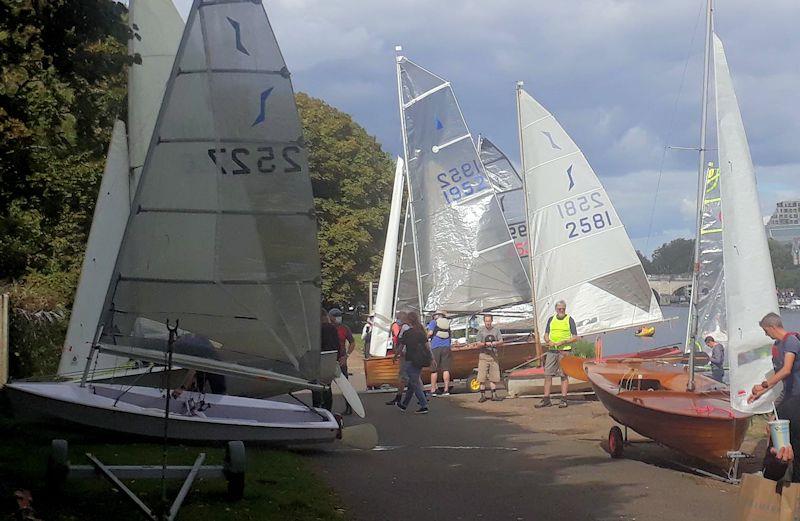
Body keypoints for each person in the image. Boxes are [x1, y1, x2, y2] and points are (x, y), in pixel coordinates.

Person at [748, 312, 800, 482]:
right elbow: (781, 380)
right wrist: (759, 394)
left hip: (797, 399)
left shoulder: (791, 341)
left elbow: (786, 369)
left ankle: (795, 481)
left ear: (772, 327)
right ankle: (769, 474)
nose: (766, 334)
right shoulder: (778, 345)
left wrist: (763, 385)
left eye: (765, 331)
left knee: (795, 440)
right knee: (774, 433)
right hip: (788, 397)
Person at [536, 300, 578, 409]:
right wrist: (548, 341)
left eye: (563, 308)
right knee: (547, 374)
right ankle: (546, 399)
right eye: (559, 308)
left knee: (563, 375)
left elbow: (574, 337)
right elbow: (546, 334)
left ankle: (563, 399)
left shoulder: (569, 319)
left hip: (564, 351)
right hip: (552, 350)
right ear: (556, 309)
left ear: (565, 309)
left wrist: (563, 342)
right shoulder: (551, 319)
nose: (561, 310)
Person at [396, 311, 430, 414]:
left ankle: (424, 405)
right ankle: (404, 404)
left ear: (409, 320)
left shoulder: (407, 333)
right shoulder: (421, 332)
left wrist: (395, 356)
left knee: (414, 383)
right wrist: (431, 359)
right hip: (420, 360)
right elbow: (427, 347)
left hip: (410, 359)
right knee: (412, 382)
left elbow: (401, 347)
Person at [329, 307, 356, 415]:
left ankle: (349, 407)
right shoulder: (328, 328)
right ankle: (327, 408)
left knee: (345, 385)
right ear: (330, 317)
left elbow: (352, 343)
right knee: (326, 385)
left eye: (339, 315)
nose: (338, 318)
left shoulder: (344, 328)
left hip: (341, 359)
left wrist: (346, 356)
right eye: (335, 316)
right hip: (330, 359)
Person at [475, 314, 504, 403]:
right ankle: (482, 395)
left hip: (494, 356)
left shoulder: (496, 330)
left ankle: (494, 394)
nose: (488, 323)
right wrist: (484, 344)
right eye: (486, 321)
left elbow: (501, 341)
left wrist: (495, 343)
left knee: (494, 376)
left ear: (491, 321)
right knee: (481, 377)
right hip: (484, 356)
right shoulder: (481, 331)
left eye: (489, 321)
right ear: (484, 321)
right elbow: (478, 343)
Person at [386, 311, 411, 406]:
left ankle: (400, 398)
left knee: (405, 377)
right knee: (406, 377)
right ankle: (399, 397)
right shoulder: (409, 327)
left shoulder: (404, 328)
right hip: (407, 354)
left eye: (398, 318)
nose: (397, 320)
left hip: (405, 354)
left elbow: (401, 342)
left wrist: (396, 354)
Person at [427, 310, 452, 396]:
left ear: (436, 316)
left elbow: (430, 333)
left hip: (436, 347)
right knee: (446, 369)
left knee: (434, 369)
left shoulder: (433, 322)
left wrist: (425, 338)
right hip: (446, 347)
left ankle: (433, 390)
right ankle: (446, 390)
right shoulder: (447, 323)